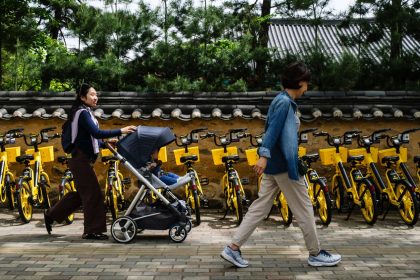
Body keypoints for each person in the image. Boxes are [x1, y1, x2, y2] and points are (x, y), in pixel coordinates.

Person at [220, 62, 341, 267]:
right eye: (307, 84)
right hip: (284, 165)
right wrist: (263, 154)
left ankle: (232, 248)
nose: (307, 88)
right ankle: (316, 253)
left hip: (275, 166)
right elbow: (272, 131)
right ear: (300, 82)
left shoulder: (281, 100)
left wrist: (267, 157)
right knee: (304, 209)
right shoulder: (285, 103)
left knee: (260, 207)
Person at [44, 83, 137, 240]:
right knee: (93, 194)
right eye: (92, 94)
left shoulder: (85, 112)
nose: (95, 97)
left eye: (96, 94)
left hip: (81, 159)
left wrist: (106, 143)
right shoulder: (82, 113)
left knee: (82, 194)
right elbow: (96, 133)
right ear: (82, 97)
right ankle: (91, 231)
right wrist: (121, 130)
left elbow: (87, 139)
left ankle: (51, 214)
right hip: (79, 159)